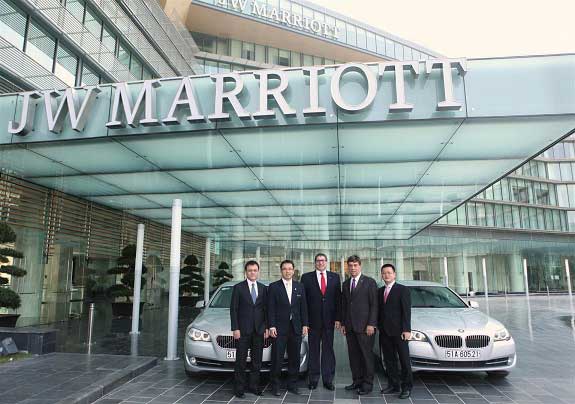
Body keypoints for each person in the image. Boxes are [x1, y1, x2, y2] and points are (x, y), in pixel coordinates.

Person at [268, 259, 309, 396]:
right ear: (281, 271)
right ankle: (275, 386)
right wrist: (271, 326)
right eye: (285, 269)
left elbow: (304, 307)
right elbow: (270, 308)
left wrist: (305, 324)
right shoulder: (274, 287)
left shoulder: (300, 286)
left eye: (290, 269)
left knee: (294, 358)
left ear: (293, 270)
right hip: (279, 329)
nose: (287, 271)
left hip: (296, 328)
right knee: (277, 358)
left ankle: (293, 385)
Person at [301, 253, 341, 391]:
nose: (320, 263)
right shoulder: (306, 278)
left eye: (323, 260)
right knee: (314, 351)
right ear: (315, 262)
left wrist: (338, 318)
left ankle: (328, 380)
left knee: (328, 350)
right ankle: (313, 379)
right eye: (318, 260)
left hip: (329, 321)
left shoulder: (335, 277)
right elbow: (303, 302)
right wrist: (305, 322)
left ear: (326, 262)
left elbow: (338, 299)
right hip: (313, 322)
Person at [230, 260, 268, 398]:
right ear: (246, 272)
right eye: (250, 270)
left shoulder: (263, 288)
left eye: (255, 270)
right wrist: (235, 328)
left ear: (258, 272)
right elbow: (234, 309)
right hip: (243, 331)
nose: (252, 272)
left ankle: (254, 386)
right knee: (240, 361)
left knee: (256, 361)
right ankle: (239, 388)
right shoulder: (238, 288)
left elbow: (266, 309)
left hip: (259, 330)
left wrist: (266, 327)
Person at [340, 255, 378, 395]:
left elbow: (374, 305)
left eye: (355, 265)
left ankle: (367, 384)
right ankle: (356, 381)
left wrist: (371, 324)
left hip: (365, 327)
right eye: (350, 265)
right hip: (350, 327)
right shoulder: (346, 284)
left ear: (360, 266)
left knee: (366, 356)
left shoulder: (369, 282)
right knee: (354, 356)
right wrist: (343, 323)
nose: (353, 268)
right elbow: (345, 305)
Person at [378, 263, 413, 399]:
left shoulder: (402, 290)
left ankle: (407, 387)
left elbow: (406, 311)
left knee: (404, 360)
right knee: (389, 360)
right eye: (384, 273)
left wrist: (407, 329)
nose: (386, 275)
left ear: (394, 275)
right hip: (385, 332)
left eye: (389, 273)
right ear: (381, 275)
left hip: (400, 332)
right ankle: (393, 385)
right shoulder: (380, 291)